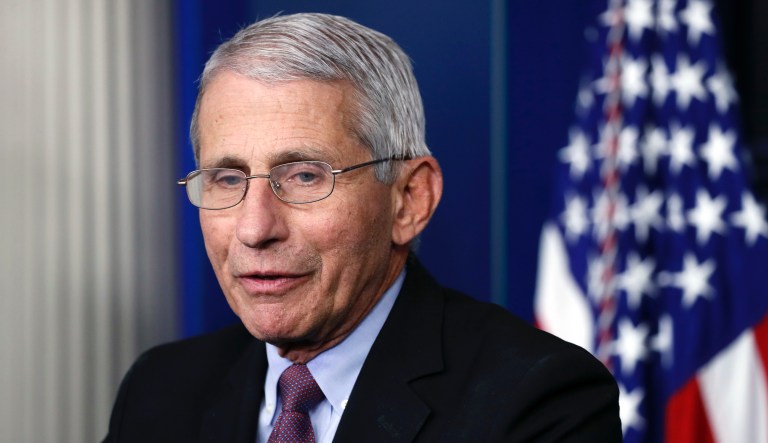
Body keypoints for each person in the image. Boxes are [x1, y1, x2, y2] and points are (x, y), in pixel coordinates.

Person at [104, 12, 621, 442]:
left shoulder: (538, 401)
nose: (254, 228)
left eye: (305, 176)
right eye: (226, 178)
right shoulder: (160, 390)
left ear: (408, 200)